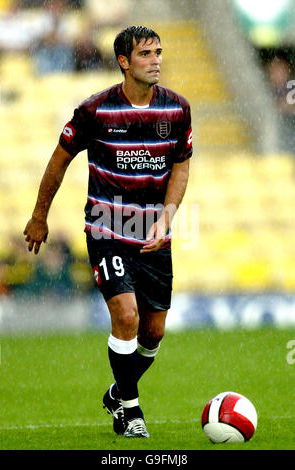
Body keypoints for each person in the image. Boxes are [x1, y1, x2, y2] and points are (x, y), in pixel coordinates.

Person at [23, 25, 193, 438]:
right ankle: (131, 413)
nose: (156, 60)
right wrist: (39, 216)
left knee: (153, 333)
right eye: (146, 54)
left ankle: (118, 391)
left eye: (158, 52)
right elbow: (59, 160)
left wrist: (166, 217)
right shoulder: (95, 111)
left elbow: (181, 166)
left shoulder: (177, 110)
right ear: (123, 62)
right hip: (107, 230)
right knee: (126, 316)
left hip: (153, 234)